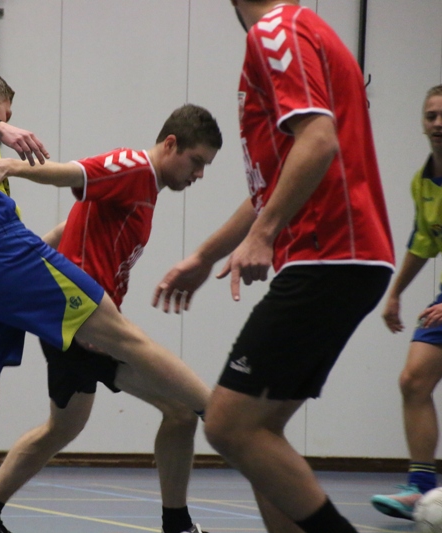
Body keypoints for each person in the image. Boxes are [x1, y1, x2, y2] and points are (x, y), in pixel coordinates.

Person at [0, 68, 213, 533]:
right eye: (6, 110)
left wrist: (38, 253)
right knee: (130, 343)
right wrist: (1, 132)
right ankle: (222, 416)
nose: (6, 120)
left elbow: (66, 225)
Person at [153, 2, 395, 533]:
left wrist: (264, 236)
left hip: (332, 253)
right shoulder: (296, 32)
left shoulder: (276, 29)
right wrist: (205, 256)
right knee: (258, 434)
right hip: (339, 258)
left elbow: (319, 139)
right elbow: (273, 184)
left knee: (228, 424)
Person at [0, 104, 223, 533]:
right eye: (196, 162)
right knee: (181, 408)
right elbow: (70, 172)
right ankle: (219, 426)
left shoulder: (142, 190)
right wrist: (12, 166)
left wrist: (20, 269)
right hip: (84, 323)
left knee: (60, 430)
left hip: (71, 326)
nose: (200, 174)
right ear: (171, 144)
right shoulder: (133, 167)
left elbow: (70, 224)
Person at [370, 84, 442, 521]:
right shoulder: (422, 182)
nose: (439, 123)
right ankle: (420, 488)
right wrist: (395, 293)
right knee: (413, 380)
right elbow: (422, 242)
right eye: (432, 116)